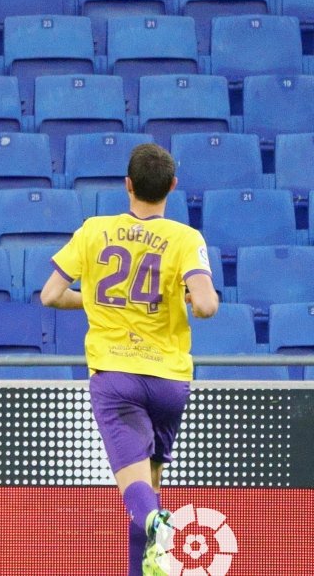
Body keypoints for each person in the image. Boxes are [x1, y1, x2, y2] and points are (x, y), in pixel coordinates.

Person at [40, 143, 219, 576]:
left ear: (127, 185)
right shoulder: (186, 238)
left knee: (138, 494)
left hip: (116, 376)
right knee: (150, 484)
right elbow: (206, 305)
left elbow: (50, 295)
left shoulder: (94, 230)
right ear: (172, 187)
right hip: (169, 380)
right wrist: (193, 302)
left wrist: (98, 302)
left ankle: (159, 524)